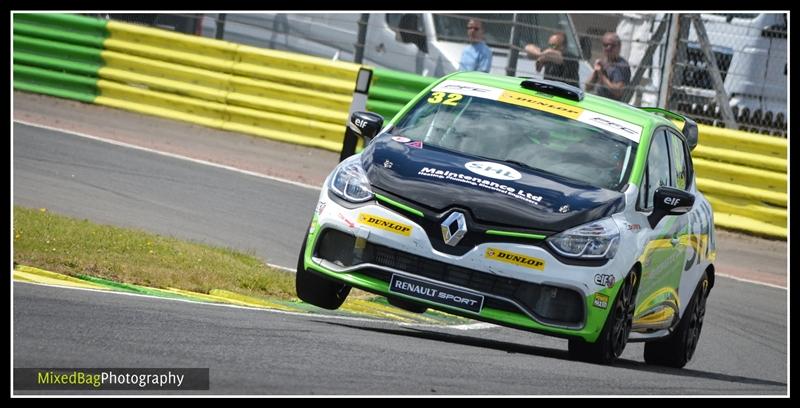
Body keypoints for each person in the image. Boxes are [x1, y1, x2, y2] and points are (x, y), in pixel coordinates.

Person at [585, 32, 631, 101]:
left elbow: (618, 92)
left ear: (619, 47)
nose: (608, 48)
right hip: (598, 100)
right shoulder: (604, 61)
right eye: (605, 45)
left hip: (612, 106)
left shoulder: (622, 66)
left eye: (612, 45)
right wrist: (595, 72)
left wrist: (602, 76)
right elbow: (588, 87)